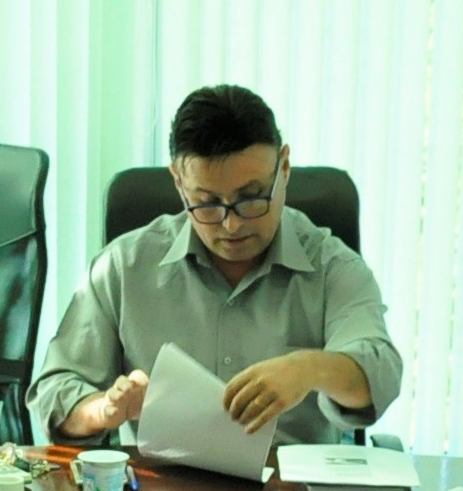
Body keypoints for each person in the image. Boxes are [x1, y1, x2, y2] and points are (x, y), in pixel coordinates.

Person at [32, 83, 405, 449]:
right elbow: (54, 390)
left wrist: (308, 369)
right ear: (179, 182)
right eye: (207, 202)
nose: (232, 225)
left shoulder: (333, 268)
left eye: (251, 197)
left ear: (284, 168)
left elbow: (380, 372)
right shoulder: (124, 266)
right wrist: (103, 410)